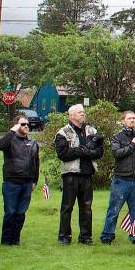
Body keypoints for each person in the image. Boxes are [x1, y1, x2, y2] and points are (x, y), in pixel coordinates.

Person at [54, 104, 104, 245]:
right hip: (71, 174)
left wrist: (84, 151)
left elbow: (100, 152)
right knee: (67, 207)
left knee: (87, 208)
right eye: (80, 112)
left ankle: (85, 237)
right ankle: (64, 237)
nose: (83, 114)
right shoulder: (63, 132)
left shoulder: (91, 131)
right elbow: (63, 154)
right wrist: (82, 150)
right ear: (72, 116)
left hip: (87, 175)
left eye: (83, 112)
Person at [100, 111, 135, 245]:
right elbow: (117, 153)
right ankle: (107, 236)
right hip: (121, 180)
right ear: (123, 121)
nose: (132, 120)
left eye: (134, 118)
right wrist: (133, 145)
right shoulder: (117, 138)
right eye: (129, 118)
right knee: (114, 210)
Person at [0, 114, 40, 246]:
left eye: (27, 124)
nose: (26, 126)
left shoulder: (33, 143)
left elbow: (36, 163)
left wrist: (34, 181)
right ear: (16, 126)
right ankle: (6, 240)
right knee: (10, 212)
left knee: (21, 213)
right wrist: (11, 131)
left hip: (27, 183)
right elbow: (0, 145)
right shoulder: (9, 141)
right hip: (12, 182)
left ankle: (15, 239)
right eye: (22, 124)